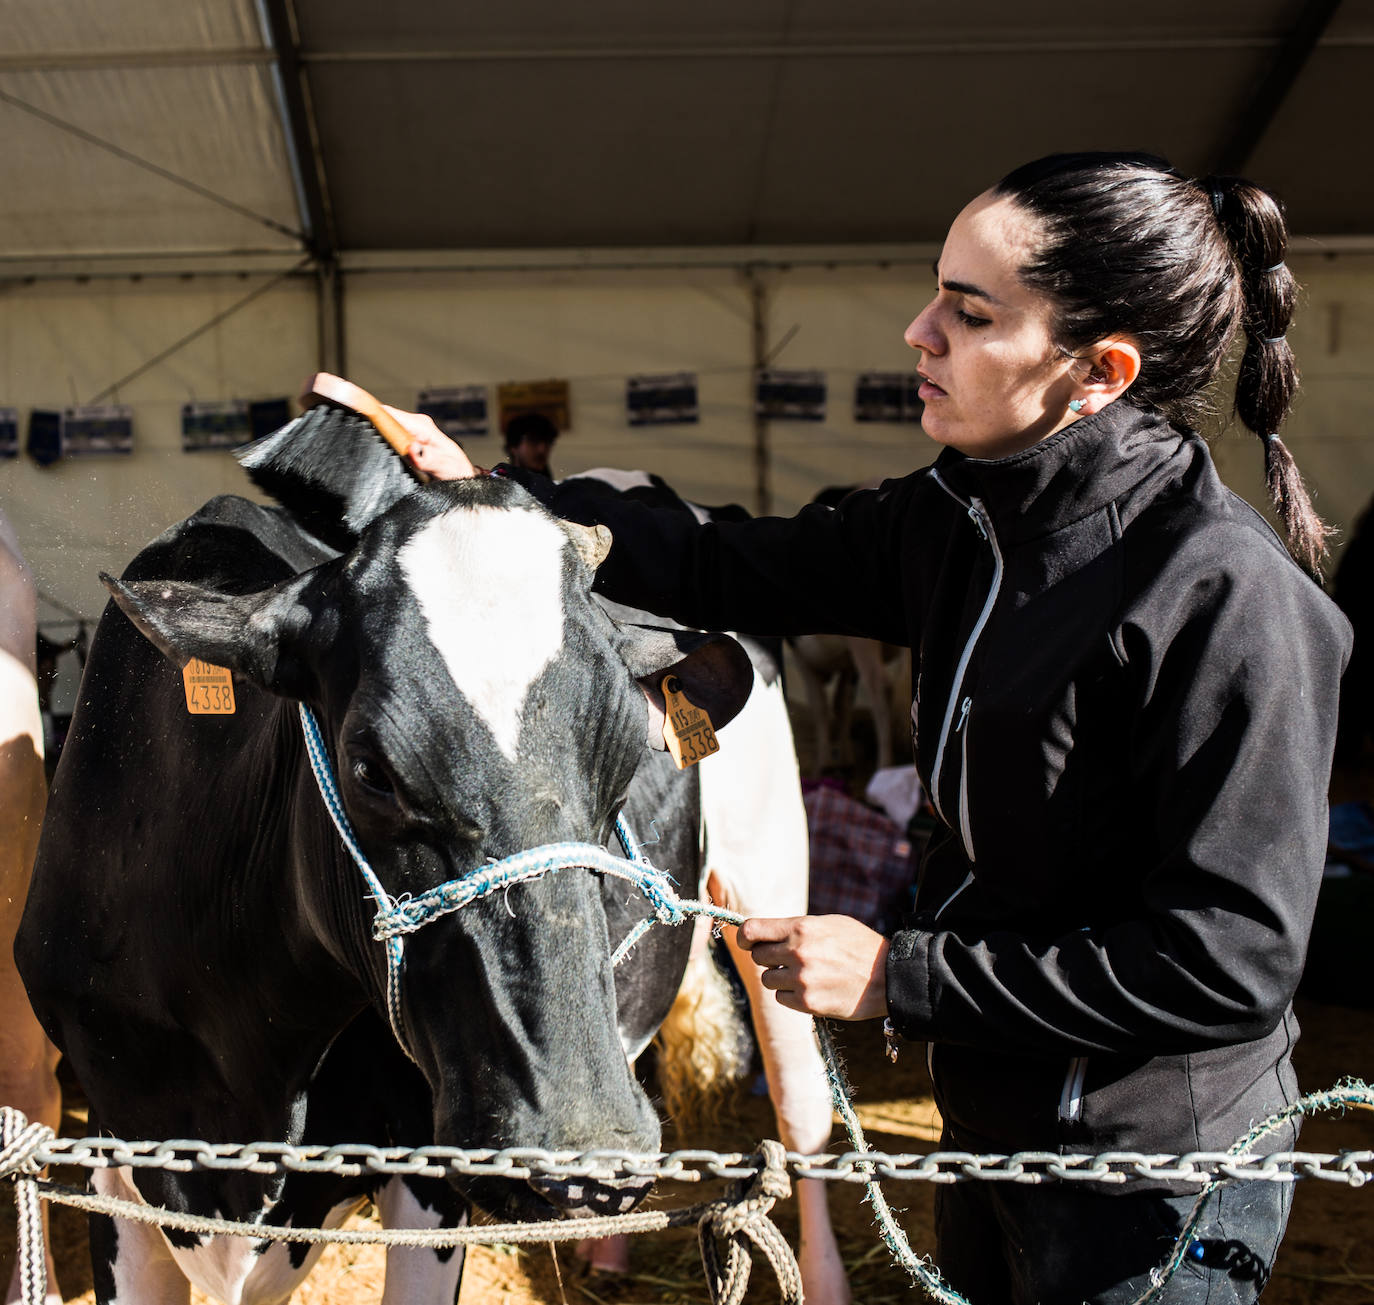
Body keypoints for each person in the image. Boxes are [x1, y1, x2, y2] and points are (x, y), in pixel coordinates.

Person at [399, 152, 1351, 1304]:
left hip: (1153, 1181)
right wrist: (501, 501)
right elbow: (722, 556)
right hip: (996, 1129)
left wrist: (904, 976)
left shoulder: (1227, 600)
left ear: (1096, 372)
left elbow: (1230, 963)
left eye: (969, 311)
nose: (918, 332)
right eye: (933, 293)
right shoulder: (959, 517)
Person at [502, 410, 559, 477]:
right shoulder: (500, 484)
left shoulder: (551, 485)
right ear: (513, 447)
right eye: (533, 441)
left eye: (548, 442)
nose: (542, 449)